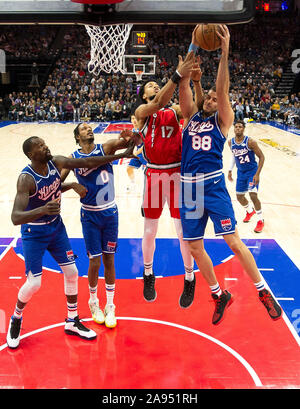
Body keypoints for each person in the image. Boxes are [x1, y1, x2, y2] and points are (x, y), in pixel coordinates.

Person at [178, 25, 282, 325]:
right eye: (207, 96)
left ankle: (263, 290)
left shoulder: (224, 121)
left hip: (212, 186)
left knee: (234, 241)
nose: (211, 98)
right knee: (194, 246)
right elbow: (184, 83)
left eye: (214, 97)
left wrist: (224, 53)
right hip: (188, 190)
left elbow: (222, 90)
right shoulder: (190, 116)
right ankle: (218, 293)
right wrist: (194, 47)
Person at [6, 135, 135, 349]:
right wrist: (42, 209)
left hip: (56, 228)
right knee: (34, 283)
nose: (45, 146)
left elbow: (86, 162)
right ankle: (16, 318)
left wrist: (121, 156)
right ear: (31, 154)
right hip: (34, 232)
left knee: (72, 272)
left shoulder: (56, 162)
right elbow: (15, 217)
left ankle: (72, 321)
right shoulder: (26, 179)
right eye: (39, 146)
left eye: (44, 142)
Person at [133, 52, 197, 306]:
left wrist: (187, 80)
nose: (155, 85)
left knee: (183, 232)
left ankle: (190, 278)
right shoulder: (143, 111)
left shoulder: (174, 110)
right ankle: (148, 273)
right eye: (150, 85)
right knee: (150, 230)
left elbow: (190, 108)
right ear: (144, 95)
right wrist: (177, 74)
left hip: (178, 173)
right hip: (155, 173)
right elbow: (159, 102)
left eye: (157, 83)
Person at [61, 123, 135, 329]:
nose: (89, 130)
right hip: (89, 215)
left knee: (109, 259)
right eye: (84, 129)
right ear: (77, 137)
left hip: (110, 212)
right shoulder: (72, 158)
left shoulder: (106, 148)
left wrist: (130, 136)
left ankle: (110, 305)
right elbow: (56, 184)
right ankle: (93, 302)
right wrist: (73, 185)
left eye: (89, 127)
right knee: (94, 262)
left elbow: (130, 142)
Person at [228, 120, 265, 233]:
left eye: (240, 127)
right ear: (234, 129)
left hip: (252, 172)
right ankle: (250, 211)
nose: (238, 128)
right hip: (241, 173)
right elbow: (235, 156)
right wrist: (230, 170)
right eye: (236, 127)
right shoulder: (231, 142)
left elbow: (262, 157)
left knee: (253, 195)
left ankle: (260, 220)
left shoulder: (250, 142)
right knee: (239, 197)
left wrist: (257, 174)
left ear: (243, 129)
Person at [126, 114, 147, 193]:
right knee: (129, 168)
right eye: (132, 118)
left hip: (145, 154)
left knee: (148, 173)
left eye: (135, 118)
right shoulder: (133, 130)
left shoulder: (142, 129)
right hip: (138, 154)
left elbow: (145, 145)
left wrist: (136, 153)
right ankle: (132, 184)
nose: (134, 120)